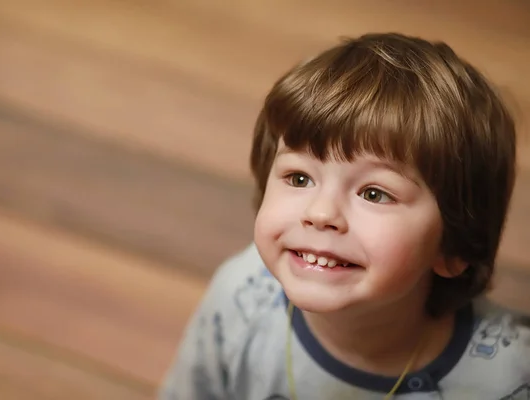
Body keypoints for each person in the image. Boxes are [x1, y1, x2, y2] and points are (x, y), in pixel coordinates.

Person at [159, 32, 530, 399]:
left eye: (374, 193)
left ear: (455, 245)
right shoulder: (239, 300)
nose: (320, 213)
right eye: (299, 177)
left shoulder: (507, 379)